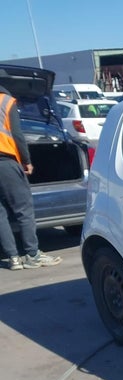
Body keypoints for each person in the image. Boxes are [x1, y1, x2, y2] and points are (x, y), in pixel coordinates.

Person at [0, 84, 61, 270]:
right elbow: (17, 135)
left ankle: (13, 258)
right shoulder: (6, 102)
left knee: (0, 214)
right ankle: (32, 255)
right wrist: (26, 160)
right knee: (23, 210)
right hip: (5, 161)